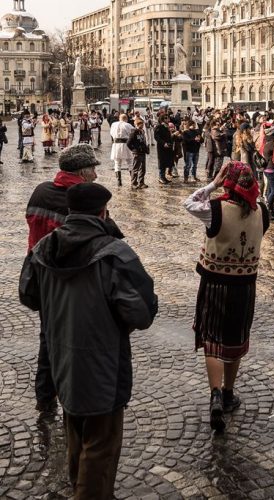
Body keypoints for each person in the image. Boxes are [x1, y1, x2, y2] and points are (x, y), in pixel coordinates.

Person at [19, 182, 157, 498]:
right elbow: (141, 312)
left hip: (62, 361)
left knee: (76, 435)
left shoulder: (43, 248)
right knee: (100, 445)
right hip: (104, 364)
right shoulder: (114, 254)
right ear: (103, 212)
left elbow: (28, 294)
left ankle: (79, 486)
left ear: (70, 211)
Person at [24, 144, 116, 414]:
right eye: (93, 170)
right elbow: (101, 238)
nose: (96, 176)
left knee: (47, 335)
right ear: (82, 172)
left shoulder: (40, 191)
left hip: (41, 274)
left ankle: (44, 397)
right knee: (76, 340)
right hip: (73, 279)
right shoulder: (84, 200)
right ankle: (74, 397)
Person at [183, 162, 270, 433]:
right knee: (235, 339)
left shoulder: (215, 210)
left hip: (214, 284)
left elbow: (189, 203)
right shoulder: (263, 212)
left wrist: (213, 184)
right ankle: (229, 393)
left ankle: (216, 395)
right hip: (244, 287)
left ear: (228, 183)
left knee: (212, 338)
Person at [110, 114, 135, 188]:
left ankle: (119, 181)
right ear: (126, 119)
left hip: (116, 145)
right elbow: (133, 134)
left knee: (117, 163)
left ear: (119, 118)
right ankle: (133, 180)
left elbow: (111, 134)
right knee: (130, 162)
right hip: (126, 144)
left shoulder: (113, 124)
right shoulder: (128, 125)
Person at [126, 118, 150, 189]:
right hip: (137, 153)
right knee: (135, 168)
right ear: (136, 124)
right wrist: (134, 150)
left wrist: (146, 149)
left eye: (142, 123)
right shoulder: (133, 132)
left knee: (143, 169)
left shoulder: (142, 131)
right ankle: (133, 183)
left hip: (143, 152)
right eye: (139, 124)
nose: (141, 125)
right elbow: (128, 143)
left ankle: (141, 183)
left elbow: (143, 142)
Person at [154, 115, 174, 185]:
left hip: (168, 147)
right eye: (166, 118)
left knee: (166, 162)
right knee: (162, 162)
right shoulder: (159, 126)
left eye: (168, 118)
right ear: (163, 119)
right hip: (162, 147)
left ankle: (164, 177)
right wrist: (163, 143)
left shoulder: (167, 127)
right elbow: (156, 137)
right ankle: (161, 177)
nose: (168, 120)